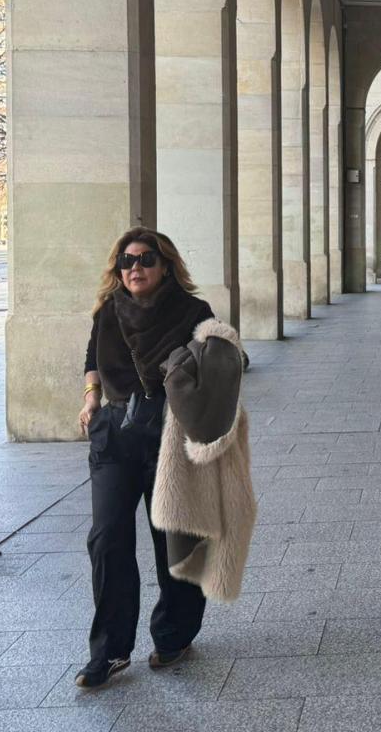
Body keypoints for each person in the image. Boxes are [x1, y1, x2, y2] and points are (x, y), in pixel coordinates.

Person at [74, 228, 220, 689]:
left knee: (171, 538)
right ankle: (110, 650)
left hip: (170, 435)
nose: (134, 268)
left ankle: (174, 634)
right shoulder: (108, 311)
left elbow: (225, 366)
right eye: (126, 261)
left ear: (166, 265)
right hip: (115, 436)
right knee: (107, 539)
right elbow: (90, 358)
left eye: (145, 259)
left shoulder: (194, 313)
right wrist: (91, 397)